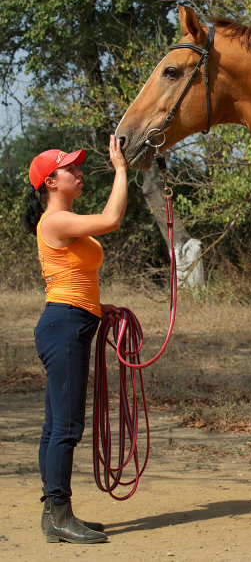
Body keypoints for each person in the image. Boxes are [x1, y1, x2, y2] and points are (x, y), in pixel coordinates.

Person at [24, 136, 128, 544]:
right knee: (65, 426)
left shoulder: (62, 221)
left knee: (56, 426)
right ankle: (59, 513)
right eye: (70, 169)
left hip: (69, 321)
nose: (78, 172)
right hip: (64, 325)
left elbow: (72, 277)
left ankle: (55, 515)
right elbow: (112, 220)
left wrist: (100, 308)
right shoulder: (54, 220)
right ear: (50, 182)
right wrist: (121, 169)